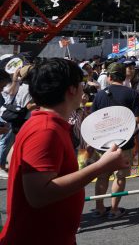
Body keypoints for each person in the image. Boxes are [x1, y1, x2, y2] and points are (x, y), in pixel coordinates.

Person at [0, 58, 129, 245]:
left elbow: (14, 161)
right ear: (72, 89)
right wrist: (101, 166)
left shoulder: (43, 124)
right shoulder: (46, 130)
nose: (83, 89)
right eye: (81, 84)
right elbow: (38, 195)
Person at [91, 63, 139, 218]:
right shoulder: (131, 94)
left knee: (102, 176)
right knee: (120, 176)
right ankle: (114, 210)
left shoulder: (100, 95)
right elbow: (138, 118)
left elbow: (93, 119)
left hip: (103, 143)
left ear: (109, 77)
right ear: (125, 76)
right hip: (124, 142)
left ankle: (99, 208)